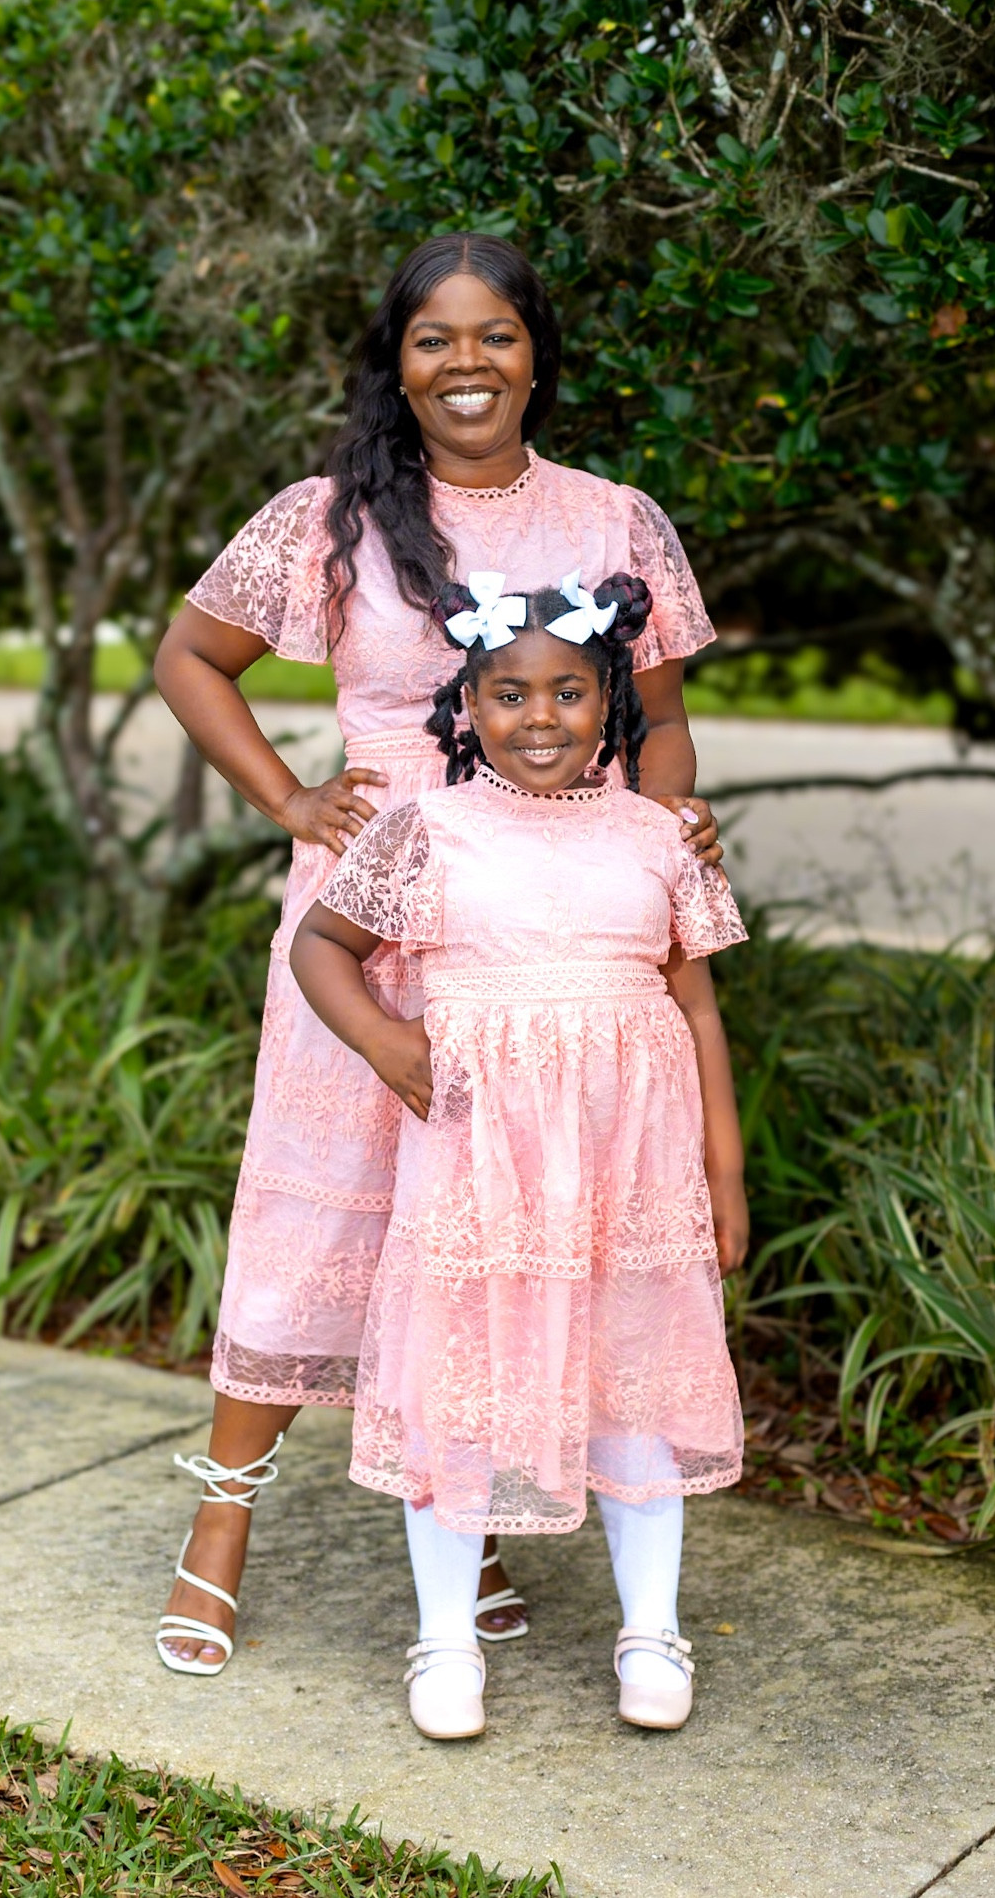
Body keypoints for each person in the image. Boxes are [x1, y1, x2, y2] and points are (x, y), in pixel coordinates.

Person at [153, 232, 725, 1676]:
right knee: (322, 1211)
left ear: (537, 353)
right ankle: (220, 1524)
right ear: (396, 363)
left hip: (547, 930)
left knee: (497, 1229)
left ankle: (470, 1526)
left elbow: (658, 720)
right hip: (372, 919)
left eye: (495, 335)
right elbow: (186, 656)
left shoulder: (614, 518)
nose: (466, 363)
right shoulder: (331, 518)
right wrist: (290, 801)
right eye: (433, 339)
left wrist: (661, 834)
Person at [290, 572, 748, 1738]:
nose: (540, 718)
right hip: (481, 1169)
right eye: (509, 695)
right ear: (469, 706)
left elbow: (696, 1010)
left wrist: (724, 1172)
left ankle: (653, 1629)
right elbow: (320, 946)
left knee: (638, 1378)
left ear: (609, 704)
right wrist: (384, 1039)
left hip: (629, 1172)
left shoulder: (660, 835)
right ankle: (446, 1641)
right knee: (459, 1385)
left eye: (569, 693)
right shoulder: (425, 829)